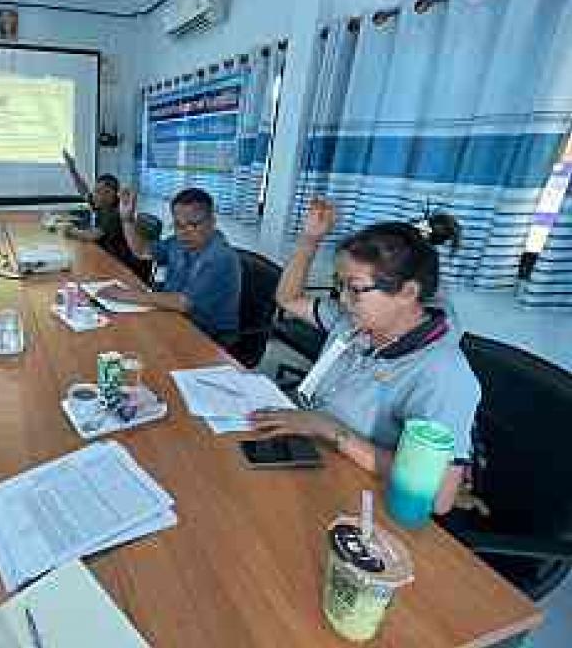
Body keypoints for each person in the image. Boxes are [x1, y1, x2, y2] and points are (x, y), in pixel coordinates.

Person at [248, 199, 480, 514]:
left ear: (408, 293)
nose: (342, 300)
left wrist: (326, 427)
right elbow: (287, 299)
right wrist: (310, 240)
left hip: (364, 498)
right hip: (310, 453)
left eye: (355, 289)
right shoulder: (358, 322)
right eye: (339, 286)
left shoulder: (442, 373)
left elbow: (439, 496)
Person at [100, 187, 241, 342]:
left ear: (212, 222)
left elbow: (183, 303)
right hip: (172, 316)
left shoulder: (220, 257)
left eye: (194, 225)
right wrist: (127, 219)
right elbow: (141, 251)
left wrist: (122, 294)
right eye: (179, 225)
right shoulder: (178, 242)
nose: (185, 232)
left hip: (207, 335)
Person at [60, 150, 148, 278]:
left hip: (122, 265)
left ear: (110, 193)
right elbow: (83, 191)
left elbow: (92, 236)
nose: (93, 195)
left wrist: (70, 230)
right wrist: (72, 170)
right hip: (108, 256)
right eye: (95, 191)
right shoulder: (102, 205)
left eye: (98, 192)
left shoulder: (115, 212)